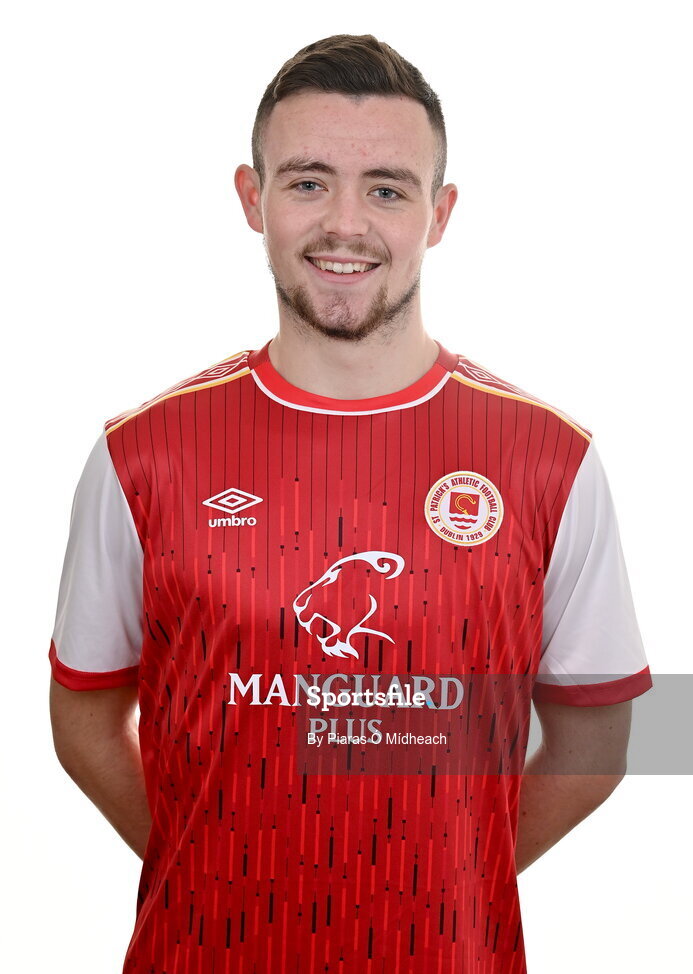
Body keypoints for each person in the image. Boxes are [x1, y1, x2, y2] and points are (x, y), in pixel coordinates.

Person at [48, 33, 653, 974]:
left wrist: (458, 875)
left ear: (437, 213)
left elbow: (599, 739)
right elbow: (83, 715)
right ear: (253, 200)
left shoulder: (549, 461)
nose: (344, 223)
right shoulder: (142, 457)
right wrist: (210, 869)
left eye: (385, 188)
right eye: (306, 182)